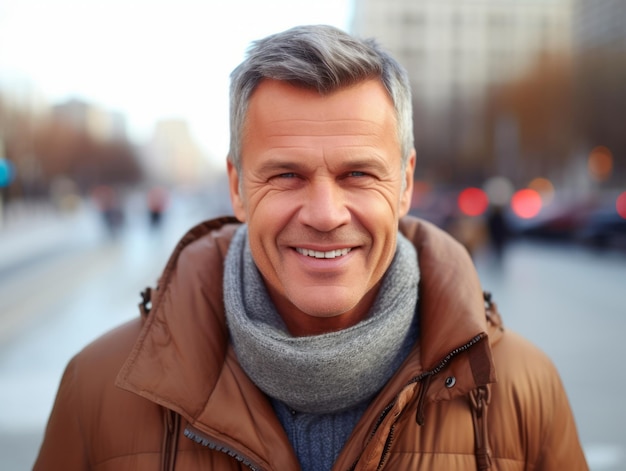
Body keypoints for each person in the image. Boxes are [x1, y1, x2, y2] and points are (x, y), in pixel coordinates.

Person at [34, 25, 588, 471]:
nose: (325, 214)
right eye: (287, 175)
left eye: (357, 174)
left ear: (404, 183)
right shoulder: (99, 388)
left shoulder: (520, 388)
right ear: (237, 187)